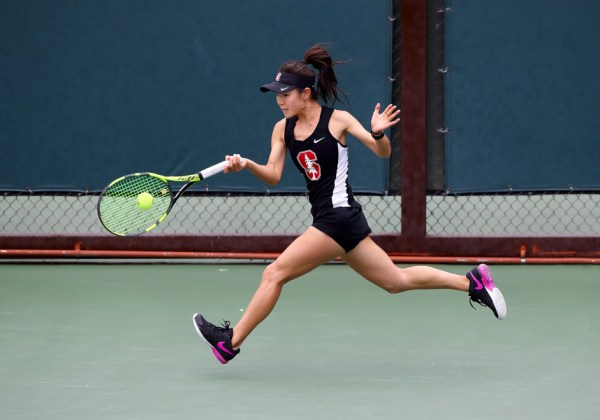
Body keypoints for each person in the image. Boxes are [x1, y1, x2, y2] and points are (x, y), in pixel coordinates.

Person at [193, 45, 506, 365]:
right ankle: (472, 283)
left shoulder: (337, 120)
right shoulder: (281, 129)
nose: (280, 100)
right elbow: (272, 175)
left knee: (274, 274)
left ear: (305, 94)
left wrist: (378, 133)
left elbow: (381, 152)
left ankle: (230, 342)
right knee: (395, 282)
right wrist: (246, 164)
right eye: (276, 94)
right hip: (337, 221)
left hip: (337, 217)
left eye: (285, 94)